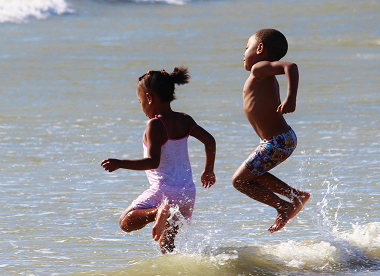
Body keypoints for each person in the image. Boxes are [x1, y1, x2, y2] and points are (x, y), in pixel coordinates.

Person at [101, 67, 216, 254]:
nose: (141, 107)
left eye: (140, 102)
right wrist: (208, 170)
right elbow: (210, 141)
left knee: (125, 222)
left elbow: (153, 162)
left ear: (149, 98)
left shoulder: (155, 124)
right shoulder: (184, 119)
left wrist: (120, 163)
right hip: (187, 192)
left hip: (164, 192)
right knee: (167, 245)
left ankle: (158, 211)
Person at [232, 29, 310, 233]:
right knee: (253, 175)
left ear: (259, 49)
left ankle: (286, 205)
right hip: (278, 140)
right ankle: (295, 197)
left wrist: (291, 98)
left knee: (239, 181)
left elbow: (290, 66)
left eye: (246, 48)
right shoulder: (261, 72)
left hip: (276, 141)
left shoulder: (259, 68)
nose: (243, 53)